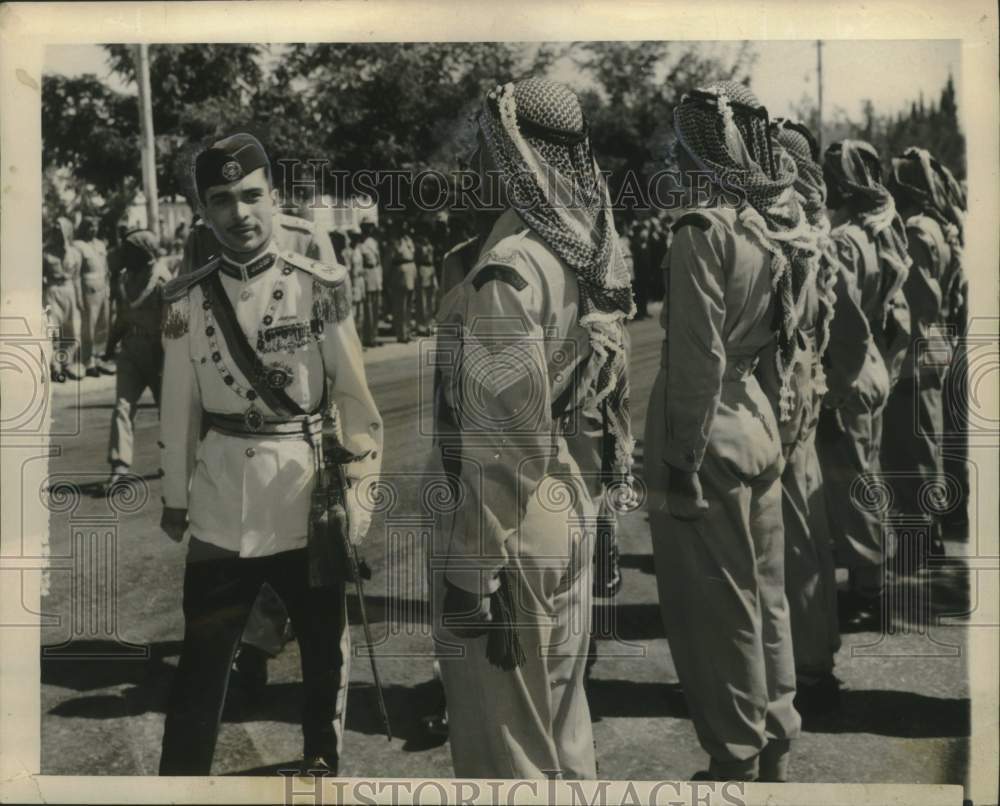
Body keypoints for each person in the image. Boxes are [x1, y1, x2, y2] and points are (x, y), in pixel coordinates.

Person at [157, 132, 383, 776]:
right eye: (221, 200)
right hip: (224, 502)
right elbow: (179, 410)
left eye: (251, 196)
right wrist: (176, 496)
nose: (239, 214)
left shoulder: (320, 284)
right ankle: (180, 784)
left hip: (303, 496)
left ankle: (320, 762)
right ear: (203, 211)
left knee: (322, 653)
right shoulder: (188, 299)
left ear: (274, 197)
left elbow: (357, 405)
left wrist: (357, 504)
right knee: (201, 664)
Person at [432, 78, 635, 780]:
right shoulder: (588, 248)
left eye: (487, 149)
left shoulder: (511, 267)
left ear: (514, 154)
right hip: (567, 500)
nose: (478, 166)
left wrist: (470, 569)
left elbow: (501, 443)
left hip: (511, 529)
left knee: (508, 754)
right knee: (565, 732)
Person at [645, 81, 802, 782]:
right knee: (766, 594)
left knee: (716, 607)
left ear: (705, 148)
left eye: (688, 141)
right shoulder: (764, 224)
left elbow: (695, 360)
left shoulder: (698, 231)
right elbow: (779, 341)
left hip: (710, 435)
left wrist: (681, 455)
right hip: (757, 422)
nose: (678, 153)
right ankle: (775, 728)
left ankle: (734, 755)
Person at [767, 119, 853, 713]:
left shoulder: (790, 229)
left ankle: (805, 663)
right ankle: (817, 647)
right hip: (811, 378)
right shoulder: (816, 225)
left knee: (793, 533)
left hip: (790, 384)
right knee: (808, 521)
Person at [820, 140, 912, 629]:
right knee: (869, 479)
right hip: (874, 366)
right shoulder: (884, 231)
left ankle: (867, 596)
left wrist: (834, 387)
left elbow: (845, 321)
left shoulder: (844, 240)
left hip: (850, 373)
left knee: (853, 485)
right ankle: (872, 584)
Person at [884, 147, 960, 561]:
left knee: (911, 452)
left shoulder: (915, 230)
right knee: (925, 445)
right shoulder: (937, 226)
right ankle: (928, 534)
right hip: (933, 344)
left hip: (915, 352)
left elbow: (917, 301)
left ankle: (920, 540)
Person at [105, 229, 173, 487]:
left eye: (130, 250)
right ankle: (119, 466)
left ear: (144, 252)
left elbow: (172, 322)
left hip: (158, 351)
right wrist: (111, 344)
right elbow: (121, 317)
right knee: (122, 406)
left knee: (167, 411)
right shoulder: (125, 279)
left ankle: (174, 461)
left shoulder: (162, 279)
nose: (124, 254)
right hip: (131, 350)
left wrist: (169, 356)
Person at [42, 217, 84, 381]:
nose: (57, 233)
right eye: (55, 230)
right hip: (53, 290)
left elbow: (77, 277)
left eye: (60, 230)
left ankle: (67, 364)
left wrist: (80, 300)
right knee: (54, 331)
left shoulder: (75, 253)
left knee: (72, 331)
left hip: (70, 290)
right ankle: (55, 367)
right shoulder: (45, 252)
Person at [74, 217, 116, 377]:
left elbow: (105, 267)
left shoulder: (100, 244)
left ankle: (99, 357)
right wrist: (79, 295)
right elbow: (76, 274)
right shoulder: (78, 246)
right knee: (89, 326)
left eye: (96, 226)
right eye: (90, 226)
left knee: (103, 324)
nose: (93, 229)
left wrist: (108, 288)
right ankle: (88, 360)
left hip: (103, 287)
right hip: (88, 289)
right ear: (84, 227)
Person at [390, 221, 417, 343]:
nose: (405, 230)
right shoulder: (395, 242)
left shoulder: (408, 240)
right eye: (402, 228)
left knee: (409, 306)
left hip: (410, 271)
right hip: (400, 273)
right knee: (401, 306)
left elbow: (412, 254)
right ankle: (401, 334)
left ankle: (408, 332)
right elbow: (393, 258)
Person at [359, 217, 383, 347]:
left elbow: (378, 261)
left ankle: (374, 335)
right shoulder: (360, 243)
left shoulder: (373, 241)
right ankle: (368, 337)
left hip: (375, 274)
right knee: (368, 309)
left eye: (371, 226)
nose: (369, 229)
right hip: (367, 274)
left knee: (375, 307)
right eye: (367, 226)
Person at [415, 226, 438, 336]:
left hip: (431, 269)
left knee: (431, 301)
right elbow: (421, 256)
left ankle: (429, 325)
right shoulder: (418, 246)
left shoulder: (430, 245)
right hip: (423, 269)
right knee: (422, 301)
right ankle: (422, 326)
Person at [347, 229, 367, 331]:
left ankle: (360, 341)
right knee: (354, 312)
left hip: (360, 281)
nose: (357, 240)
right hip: (353, 282)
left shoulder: (358, 250)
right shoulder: (348, 252)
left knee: (361, 312)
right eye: (355, 237)